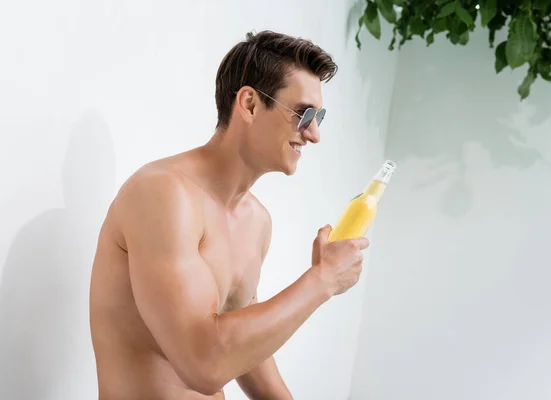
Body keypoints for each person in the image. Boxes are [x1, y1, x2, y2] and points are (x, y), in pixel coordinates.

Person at [89, 30, 370, 400]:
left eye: (319, 117)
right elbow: (204, 365)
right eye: (303, 114)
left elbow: (244, 349)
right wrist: (322, 280)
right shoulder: (163, 194)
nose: (314, 134)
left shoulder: (257, 222)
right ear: (250, 104)